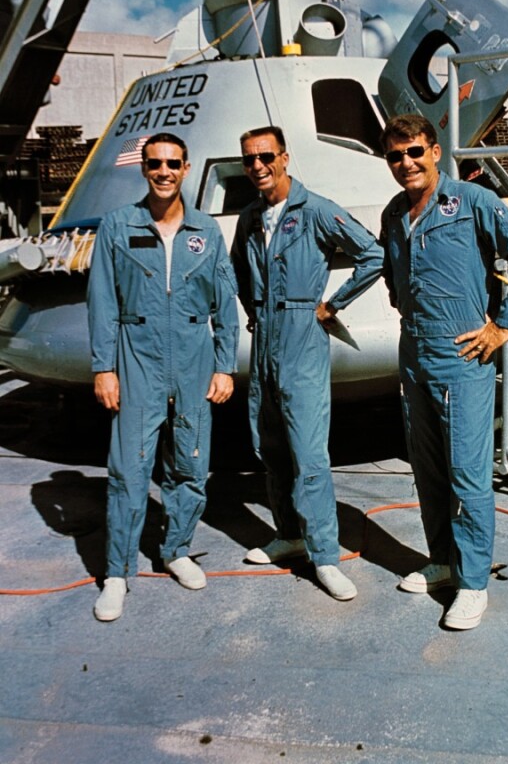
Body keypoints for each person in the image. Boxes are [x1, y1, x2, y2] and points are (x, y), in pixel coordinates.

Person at [380, 115, 508, 630]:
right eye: (395, 156)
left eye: (414, 152)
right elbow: (393, 272)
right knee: (427, 468)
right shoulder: (393, 213)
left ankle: (473, 583)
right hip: (415, 353)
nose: (406, 163)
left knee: (468, 474)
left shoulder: (472, 202)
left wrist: (502, 327)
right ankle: (443, 563)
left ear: (434, 151)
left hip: (463, 355)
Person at [88, 133, 239, 621]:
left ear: (186, 167)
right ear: (144, 168)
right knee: (129, 469)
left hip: (194, 360)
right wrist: (104, 369)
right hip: (137, 357)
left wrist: (224, 365)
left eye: (173, 163)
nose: (164, 172)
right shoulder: (118, 225)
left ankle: (176, 550)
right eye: (155, 164)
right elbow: (103, 304)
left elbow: (225, 303)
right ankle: (117, 572)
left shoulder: (206, 232)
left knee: (191, 465)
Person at [230, 125, 384, 601]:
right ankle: (289, 535)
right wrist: (255, 310)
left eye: (266, 156)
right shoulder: (250, 217)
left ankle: (325, 556)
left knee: (309, 454)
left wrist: (332, 305)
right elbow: (239, 266)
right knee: (270, 444)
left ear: (284, 157)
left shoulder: (314, 209)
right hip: (265, 339)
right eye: (250, 159)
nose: (258, 166)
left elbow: (372, 254)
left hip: (303, 336)